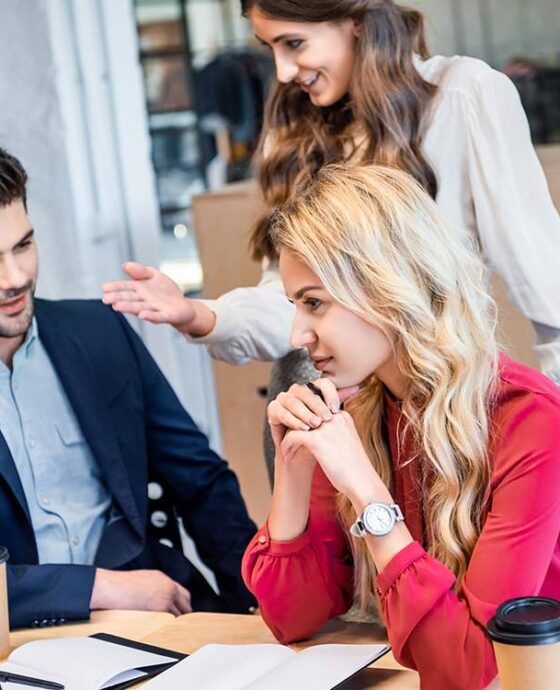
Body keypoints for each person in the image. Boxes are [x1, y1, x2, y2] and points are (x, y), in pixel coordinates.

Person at [102, 0, 560, 386]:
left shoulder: (463, 97)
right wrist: (197, 315)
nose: (281, 72)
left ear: (356, 20)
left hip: (434, 406)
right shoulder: (296, 129)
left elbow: (542, 276)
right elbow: (289, 304)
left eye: (293, 43)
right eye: (270, 48)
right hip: (319, 409)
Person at [241, 165, 560, 690]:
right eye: (294, 306)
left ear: (387, 289)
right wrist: (293, 470)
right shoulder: (360, 405)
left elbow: (471, 666)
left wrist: (368, 495)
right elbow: (292, 619)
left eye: (315, 303)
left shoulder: (527, 419)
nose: (298, 333)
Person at [0, 147, 257, 629]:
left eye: (23, 245)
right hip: (17, 639)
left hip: (154, 611)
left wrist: (260, 605)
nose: (14, 279)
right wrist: (98, 586)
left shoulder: (99, 332)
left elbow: (200, 481)